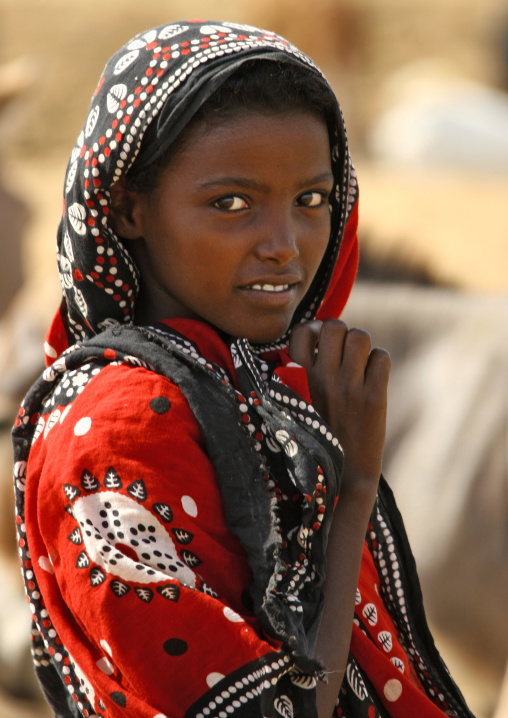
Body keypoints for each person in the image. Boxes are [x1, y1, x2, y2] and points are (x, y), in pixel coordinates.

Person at [12, 20, 474, 718]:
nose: (284, 248)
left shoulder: (244, 389)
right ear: (130, 207)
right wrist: (351, 488)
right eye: (231, 204)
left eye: (311, 201)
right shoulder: (117, 426)